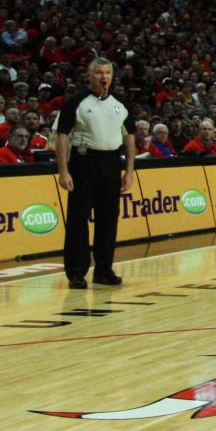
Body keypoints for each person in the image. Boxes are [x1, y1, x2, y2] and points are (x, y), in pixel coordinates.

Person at [54, 58, 137, 291]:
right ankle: (77, 273)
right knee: (79, 219)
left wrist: (129, 171)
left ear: (112, 76)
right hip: (83, 161)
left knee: (108, 219)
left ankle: (104, 270)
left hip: (111, 162)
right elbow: (62, 136)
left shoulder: (120, 102)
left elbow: (129, 136)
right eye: (99, 72)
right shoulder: (76, 101)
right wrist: (63, 170)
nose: (103, 77)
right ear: (90, 75)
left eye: (107, 73)